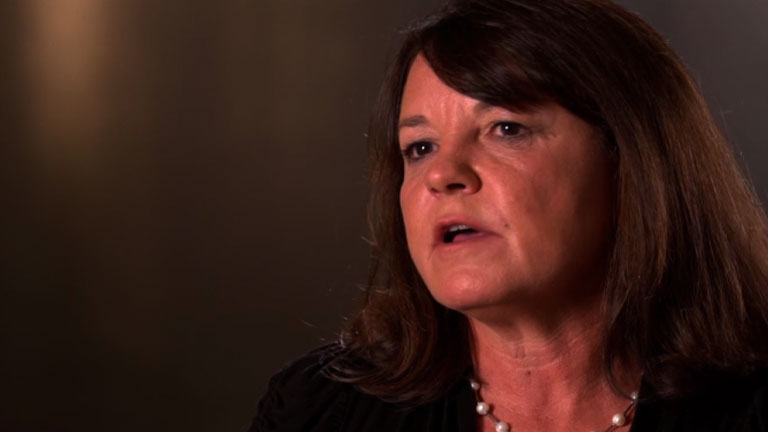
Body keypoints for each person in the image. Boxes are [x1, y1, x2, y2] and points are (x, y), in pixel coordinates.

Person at [250, 0, 768, 430]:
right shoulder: (316, 412)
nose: (442, 174)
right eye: (420, 147)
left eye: (506, 129)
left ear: (630, 158)